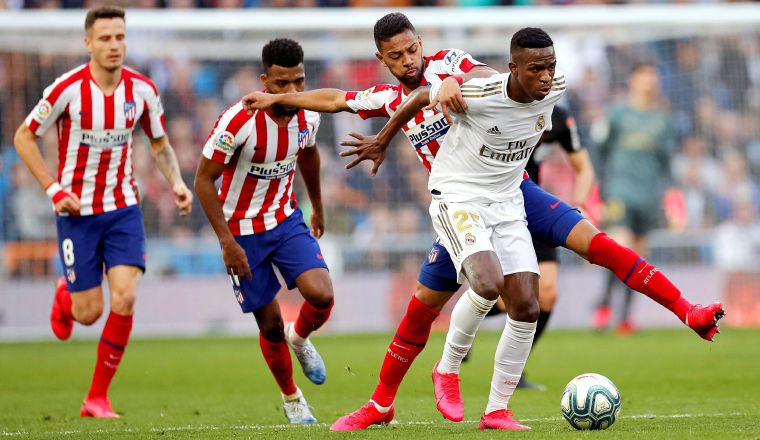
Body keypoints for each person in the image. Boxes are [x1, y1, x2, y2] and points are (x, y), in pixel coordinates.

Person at [241, 13, 724, 431]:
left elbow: (488, 75)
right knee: (430, 303)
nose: (409, 60)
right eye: (397, 56)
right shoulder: (388, 96)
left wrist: (455, 83)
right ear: (383, 59)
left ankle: (685, 310)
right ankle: (382, 403)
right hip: (458, 200)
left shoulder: (452, 63)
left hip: (513, 191)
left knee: (589, 248)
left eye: (413, 49)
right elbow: (337, 99)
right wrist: (284, 102)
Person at [13, 6, 193, 418]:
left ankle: (96, 397)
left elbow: (160, 144)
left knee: (126, 297)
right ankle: (66, 294)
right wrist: (53, 187)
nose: (114, 45)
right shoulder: (67, 89)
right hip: (76, 213)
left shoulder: (143, 90)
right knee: (88, 313)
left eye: (120, 38)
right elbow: (24, 137)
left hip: (123, 209)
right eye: (106, 38)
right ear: (88, 43)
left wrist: (177, 183)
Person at [193, 38, 333, 424]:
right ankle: (292, 399)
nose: (292, 92)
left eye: (299, 82)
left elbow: (308, 154)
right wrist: (226, 241)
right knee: (269, 324)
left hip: (285, 218)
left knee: (321, 295)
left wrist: (317, 205)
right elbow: (203, 181)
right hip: (241, 230)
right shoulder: (237, 121)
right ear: (264, 82)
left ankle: (300, 338)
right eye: (282, 84)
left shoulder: (310, 114)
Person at [478, 105, 595, 392]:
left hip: (534, 207)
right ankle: (466, 321)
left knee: (548, 295)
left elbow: (584, 168)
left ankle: (513, 372)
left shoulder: (560, 117)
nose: (545, 80)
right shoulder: (501, 107)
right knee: (512, 298)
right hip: (501, 208)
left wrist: (578, 206)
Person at [593, 62, 677, 333]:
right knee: (622, 249)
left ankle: (624, 318)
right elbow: (598, 152)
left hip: (648, 197)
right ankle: (604, 304)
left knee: (639, 259)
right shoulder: (616, 115)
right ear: (632, 80)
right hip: (620, 192)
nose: (650, 82)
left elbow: (667, 163)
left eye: (653, 77)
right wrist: (599, 191)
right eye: (644, 77)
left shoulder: (661, 120)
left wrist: (672, 198)